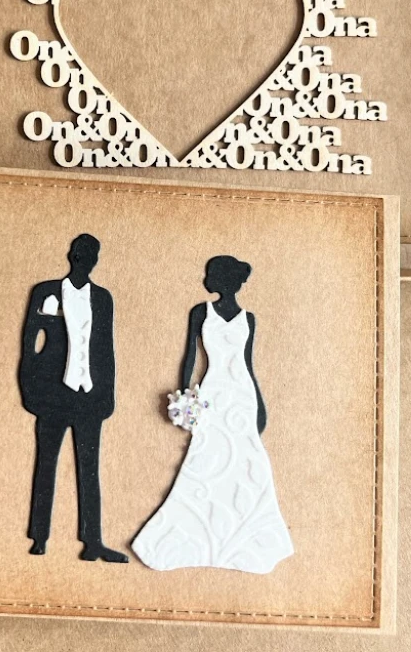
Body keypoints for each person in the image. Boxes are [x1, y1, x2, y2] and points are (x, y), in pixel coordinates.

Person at [131, 255, 293, 573]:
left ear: (224, 279)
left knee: (249, 459)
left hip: (241, 396)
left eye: (211, 275)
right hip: (212, 394)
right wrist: (185, 398)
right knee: (206, 456)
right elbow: (190, 357)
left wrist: (259, 404)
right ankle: (194, 535)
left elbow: (248, 364)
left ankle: (247, 540)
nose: (206, 280)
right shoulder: (201, 312)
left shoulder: (248, 319)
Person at [19, 234, 128, 563]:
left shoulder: (103, 298)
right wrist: (30, 389)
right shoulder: (46, 291)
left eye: (90, 256)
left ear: (95, 261)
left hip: (89, 396)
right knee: (46, 464)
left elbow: (106, 350)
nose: (84, 260)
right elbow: (30, 343)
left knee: (89, 468)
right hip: (52, 394)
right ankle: (39, 537)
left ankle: (93, 541)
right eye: (80, 254)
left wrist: (107, 395)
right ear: (71, 256)